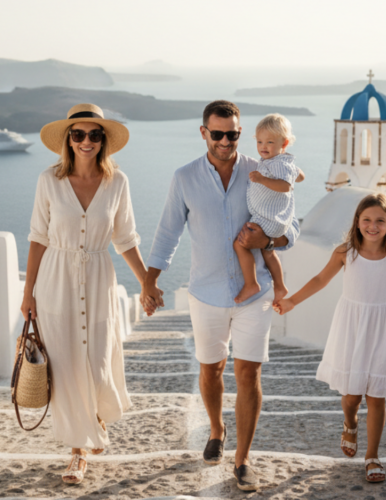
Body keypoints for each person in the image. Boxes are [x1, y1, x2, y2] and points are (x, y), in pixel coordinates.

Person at [142, 100, 299, 491]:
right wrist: (150, 281)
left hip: (255, 293)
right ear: (203, 134)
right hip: (207, 293)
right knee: (211, 370)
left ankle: (243, 461)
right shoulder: (184, 178)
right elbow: (167, 233)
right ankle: (216, 428)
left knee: (249, 373)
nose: (226, 140)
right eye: (218, 134)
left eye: (233, 133)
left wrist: (272, 238)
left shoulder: (261, 169)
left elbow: (291, 225)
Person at [21, 103, 152, 485]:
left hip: (98, 280)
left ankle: (94, 417)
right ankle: (78, 451)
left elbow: (125, 238)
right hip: (55, 282)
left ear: (103, 140)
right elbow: (37, 238)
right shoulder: (49, 180)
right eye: (78, 134)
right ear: (68, 138)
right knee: (65, 367)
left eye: (95, 134)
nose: (86, 141)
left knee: (95, 364)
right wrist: (28, 293)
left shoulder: (118, 183)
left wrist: (146, 282)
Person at [273, 193, 386, 483]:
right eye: (367, 220)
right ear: (357, 222)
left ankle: (372, 456)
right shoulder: (345, 252)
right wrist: (291, 302)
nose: (372, 226)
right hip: (352, 327)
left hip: (382, 328)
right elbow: (320, 280)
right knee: (351, 397)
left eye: (380, 221)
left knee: (377, 396)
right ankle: (350, 423)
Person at [233, 113, 305, 304]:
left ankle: (251, 284)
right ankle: (280, 286)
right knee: (268, 252)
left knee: (239, 244)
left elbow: (286, 186)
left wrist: (263, 180)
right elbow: (300, 176)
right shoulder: (282, 162)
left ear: (285, 143)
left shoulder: (278, 164)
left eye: (270, 142)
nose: (263, 147)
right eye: (260, 142)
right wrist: (296, 174)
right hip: (273, 219)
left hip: (267, 219)